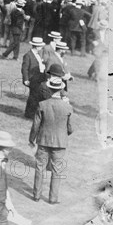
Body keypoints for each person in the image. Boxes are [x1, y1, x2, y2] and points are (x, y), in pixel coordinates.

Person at [30, 76, 73, 204]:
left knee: (40, 167)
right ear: (61, 89)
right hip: (60, 142)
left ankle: (36, 195)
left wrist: (31, 139)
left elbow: (35, 125)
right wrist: (63, 135)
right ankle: (53, 198)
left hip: (43, 140)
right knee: (57, 170)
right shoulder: (68, 107)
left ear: (49, 88)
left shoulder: (42, 105)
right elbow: (70, 129)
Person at [22, 37, 47, 119]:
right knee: (33, 96)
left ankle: (33, 113)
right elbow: (24, 68)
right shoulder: (28, 55)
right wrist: (26, 79)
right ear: (36, 46)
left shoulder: (38, 55)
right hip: (32, 79)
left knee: (36, 96)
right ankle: (29, 114)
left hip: (39, 78)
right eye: (40, 46)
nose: (41, 47)